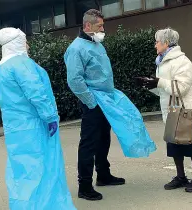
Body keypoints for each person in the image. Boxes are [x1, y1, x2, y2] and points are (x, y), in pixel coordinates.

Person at [64, 9, 156, 201]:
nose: (103, 29)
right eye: (99, 26)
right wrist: (91, 102)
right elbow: (74, 80)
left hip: (107, 99)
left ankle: (103, 175)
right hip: (95, 102)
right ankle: (85, 185)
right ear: (87, 26)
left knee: (104, 138)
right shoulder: (76, 49)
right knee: (89, 142)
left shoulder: (96, 45)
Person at [0, 27, 76, 209]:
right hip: (35, 126)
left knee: (22, 172)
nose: (28, 45)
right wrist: (50, 116)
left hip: (14, 129)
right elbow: (37, 94)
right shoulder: (22, 65)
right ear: (18, 43)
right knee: (44, 168)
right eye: (25, 41)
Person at [136, 28, 192, 193]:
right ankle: (181, 177)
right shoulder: (162, 61)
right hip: (171, 111)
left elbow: (181, 88)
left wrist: (158, 82)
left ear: (166, 43)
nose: (155, 45)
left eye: (157, 41)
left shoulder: (182, 62)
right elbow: (165, 89)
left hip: (187, 111)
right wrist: (149, 85)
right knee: (175, 146)